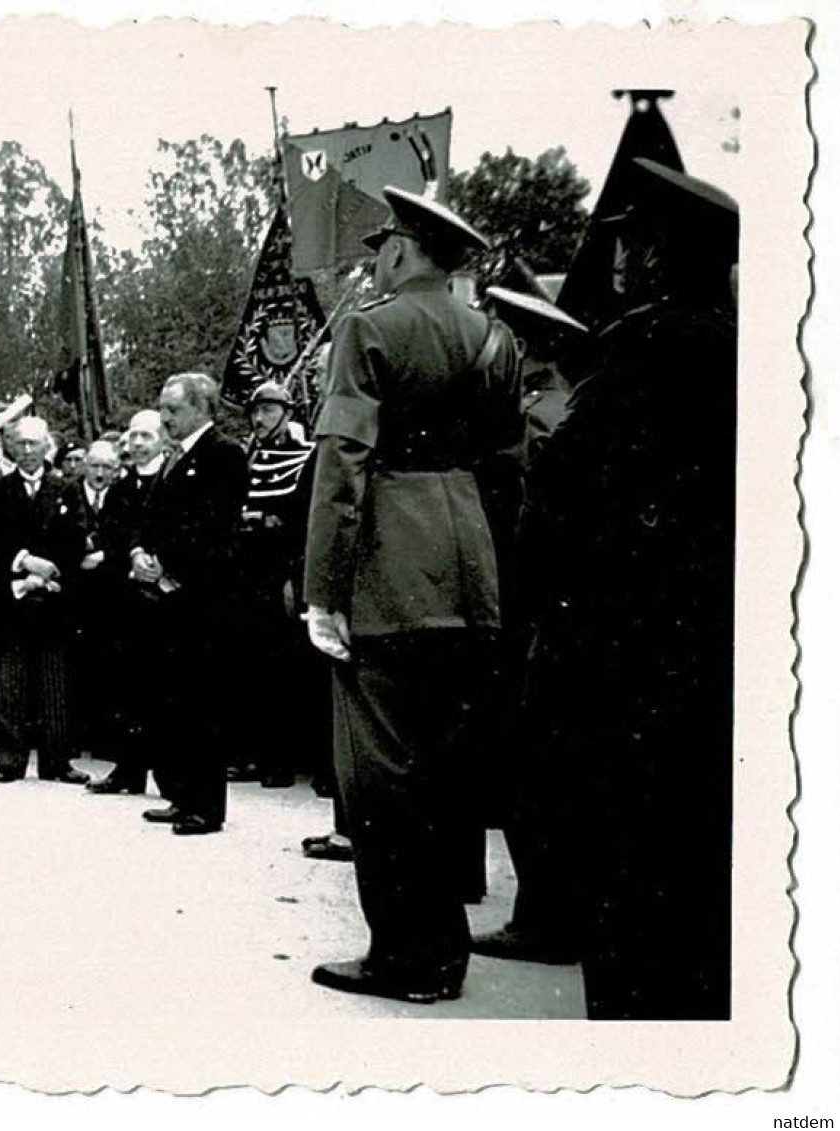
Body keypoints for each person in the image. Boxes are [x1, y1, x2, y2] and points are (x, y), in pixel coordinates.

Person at [518, 160, 737, 1018]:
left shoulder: (647, 354)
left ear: (662, 254)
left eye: (635, 241)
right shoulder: (731, 350)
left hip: (626, 659)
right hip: (696, 655)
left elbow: (565, 508)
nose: (620, 258)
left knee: (633, 898)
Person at [302, 187, 519, 1005]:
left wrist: (324, 589)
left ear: (399, 250)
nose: (374, 259)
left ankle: (406, 955)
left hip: (391, 570)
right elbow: (506, 465)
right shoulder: (492, 337)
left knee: (383, 779)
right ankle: (445, 951)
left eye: (379, 246)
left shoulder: (369, 326)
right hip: (469, 568)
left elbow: (344, 469)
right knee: (446, 771)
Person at [465, 284, 591, 967]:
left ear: (532, 350)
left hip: (530, 615)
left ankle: (543, 917)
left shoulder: (537, 421)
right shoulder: (553, 408)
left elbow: (528, 528)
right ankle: (547, 909)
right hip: (546, 612)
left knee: (530, 770)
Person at [131, 373, 250, 834]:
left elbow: (215, 526)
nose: (164, 417)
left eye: (173, 410)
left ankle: (206, 806)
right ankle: (182, 795)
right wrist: (139, 552)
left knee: (202, 705)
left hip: (203, 598)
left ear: (202, 409)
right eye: (163, 408)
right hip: (166, 597)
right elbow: (149, 516)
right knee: (174, 701)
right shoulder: (172, 458)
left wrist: (167, 563)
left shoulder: (224, 453)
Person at [0, 415, 88, 784]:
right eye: (20, 443)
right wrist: (23, 561)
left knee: (56, 681)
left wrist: (48, 572)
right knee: (12, 681)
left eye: (34, 443)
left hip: (54, 596)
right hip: (14, 596)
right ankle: (11, 761)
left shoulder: (67, 488)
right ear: (10, 446)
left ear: (47, 447)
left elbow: (76, 538)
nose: (27, 451)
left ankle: (57, 762)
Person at [226, 380, 319, 789]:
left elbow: (299, 522)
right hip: (246, 575)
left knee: (283, 672)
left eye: (268, 410)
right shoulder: (248, 458)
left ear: (287, 413)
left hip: (280, 574)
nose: (259, 418)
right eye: (255, 411)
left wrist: (265, 526)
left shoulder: (304, 457)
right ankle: (252, 755)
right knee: (248, 669)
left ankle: (282, 762)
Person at [85, 409, 171, 795]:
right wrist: (133, 563)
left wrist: (158, 565)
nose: (137, 444)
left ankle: (169, 775)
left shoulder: (171, 481)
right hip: (126, 597)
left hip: (167, 598)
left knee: (164, 690)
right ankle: (128, 769)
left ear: (161, 439)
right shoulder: (121, 488)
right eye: (132, 436)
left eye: (145, 436)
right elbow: (110, 538)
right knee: (126, 687)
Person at [52, 440, 134, 778]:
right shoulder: (66, 494)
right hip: (72, 593)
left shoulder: (123, 496)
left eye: (108, 468)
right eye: (95, 466)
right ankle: (70, 739)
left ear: (116, 469)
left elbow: (127, 537)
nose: (100, 474)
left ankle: (104, 740)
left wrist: (106, 557)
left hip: (110, 594)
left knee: (108, 667)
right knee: (71, 666)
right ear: (84, 465)